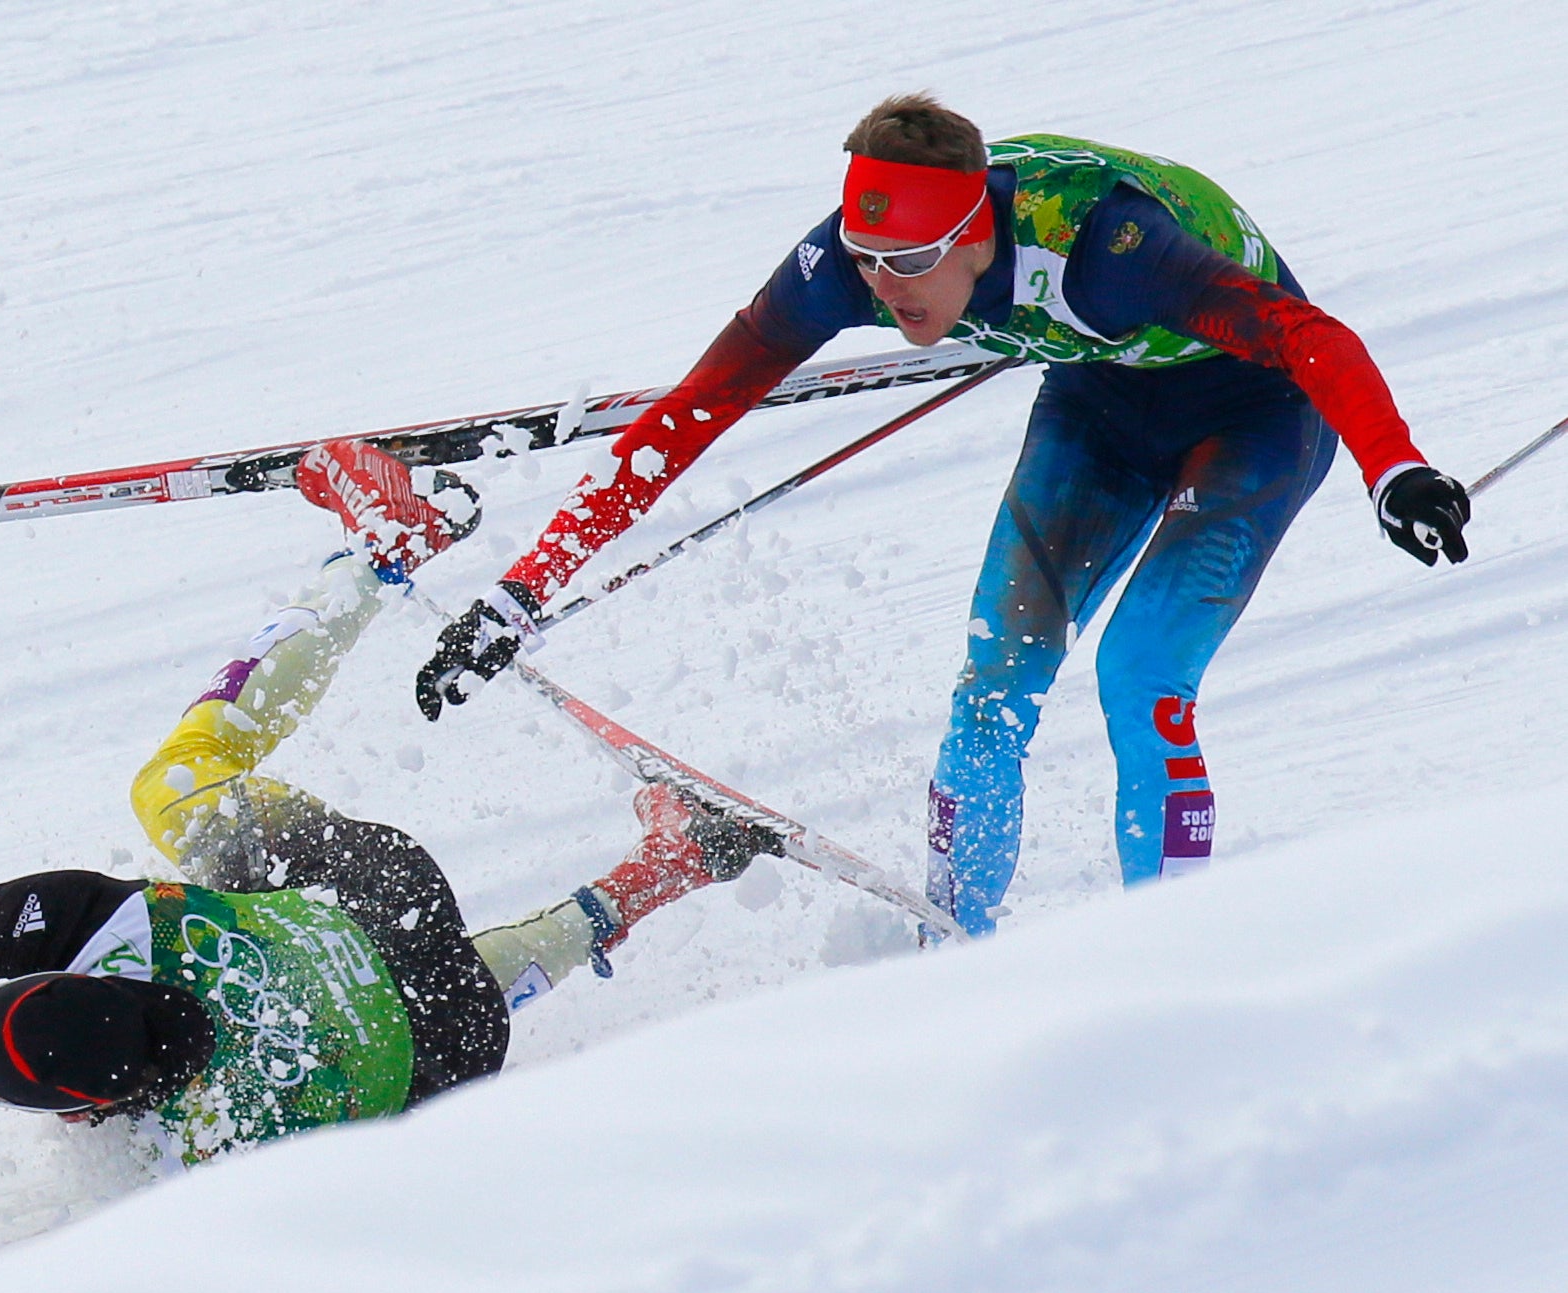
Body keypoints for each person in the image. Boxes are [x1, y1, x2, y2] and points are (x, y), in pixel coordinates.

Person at [0, 439, 783, 1272]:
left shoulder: (195, 1168)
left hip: (444, 1033)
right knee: (176, 788)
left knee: (419, 1021)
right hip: (377, 892)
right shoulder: (97, 920)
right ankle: (381, 557)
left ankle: (660, 866)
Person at [413, 95, 1471, 937]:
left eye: (912, 267)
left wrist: (1395, 469)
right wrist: (518, 593)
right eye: (870, 265)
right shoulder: (848, 262)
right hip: (1099, 403)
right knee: (990, 689)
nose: (884, 290)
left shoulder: (1110, 245)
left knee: (1139, 672)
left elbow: (1304, 334)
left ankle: (1174, 953)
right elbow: (689, 413)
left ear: (975, 238)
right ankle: (949, 962)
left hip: (1252, 409)